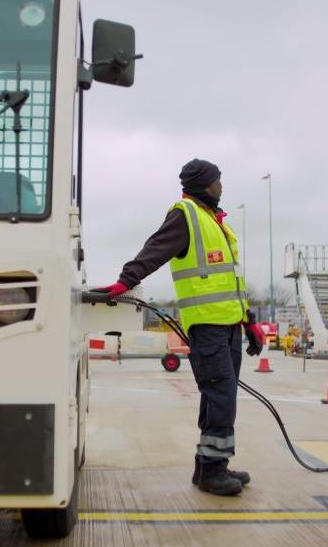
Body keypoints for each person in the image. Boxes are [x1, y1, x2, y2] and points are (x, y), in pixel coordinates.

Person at [97, 158, 264, 496]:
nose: (222, 186)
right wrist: (125, 280)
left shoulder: (216, 222)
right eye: (218, 181)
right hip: (207, 328)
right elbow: (155, 249)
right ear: (205, 184)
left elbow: (232, 282)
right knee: (220, 396)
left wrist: (250, 323)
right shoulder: (185, 215)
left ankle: (210, 465)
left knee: (222, 395)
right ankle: (213, 470)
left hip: (229, 325)